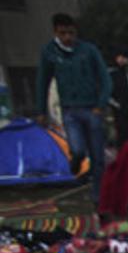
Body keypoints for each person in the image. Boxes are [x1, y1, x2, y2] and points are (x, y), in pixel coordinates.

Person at [35, 13, 111, 202]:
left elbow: (105, 78)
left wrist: (101, 104)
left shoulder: (88, 50)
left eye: (71, 33)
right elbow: (42, 82)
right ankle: (76, 164)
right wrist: (41, 111)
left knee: (98, 156)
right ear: (56, 32)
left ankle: (98, 194)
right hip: (70, 110)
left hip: (92, 108)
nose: (68, 37)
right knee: (77, 149)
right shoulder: (50, 53)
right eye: (63, 33)